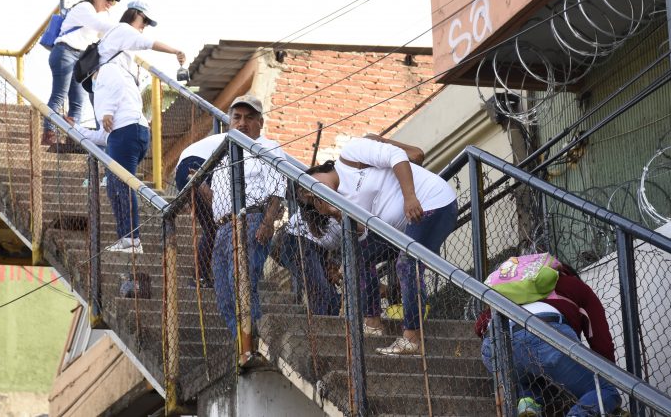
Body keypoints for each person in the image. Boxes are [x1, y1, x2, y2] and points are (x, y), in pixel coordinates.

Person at [304, 135, 457, 356]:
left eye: (310, 185)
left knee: (407, 264)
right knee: (361, 254)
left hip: (431, 203)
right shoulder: (340, 201)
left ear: (317, 172)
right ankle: (372, 323)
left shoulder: (349, 155)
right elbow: (363, 233)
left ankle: (412, 338)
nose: (313, 193)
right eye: (311, 199)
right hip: (401, 229)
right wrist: (337, 213)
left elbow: (396, 155)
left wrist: (410, 197)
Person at [93, 1, 186, 253]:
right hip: (130, 128)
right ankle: (128, 238)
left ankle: (132, 239)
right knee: (117, 184)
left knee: (122, 183)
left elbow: (148, 44)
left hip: (126, 128)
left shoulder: (115, 62)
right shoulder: (122, 41)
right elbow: (143, 44)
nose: (143, 29)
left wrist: (174, 50)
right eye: (144, 22)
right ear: (137, 15)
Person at [475, 256, 621, 417]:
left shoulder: (512, 292)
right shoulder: (574, 285)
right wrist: (607, 375)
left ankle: (527, 402)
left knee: (526, 371)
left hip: (495, 346)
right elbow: (601, 342)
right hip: (544, 338)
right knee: (605, 390)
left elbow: (479, 326)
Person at [209, 94, 285, 366]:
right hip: (222, 228)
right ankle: (242, 342)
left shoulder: (267, 147)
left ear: (260, 123)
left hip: (252, 220)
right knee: (222, 288)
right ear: (229, 122)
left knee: (240, 278)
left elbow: (278, 189)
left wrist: (267, 223)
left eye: (249, 118)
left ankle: (252, 345)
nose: (242, 123)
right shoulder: (223, 151)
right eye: (236, 117)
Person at [42, 0, 120, 146]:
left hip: (81, 59)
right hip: (65, 52)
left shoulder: (101, 15)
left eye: (113, 1)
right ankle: (49, 133)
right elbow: (100, 27)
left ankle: (73, 137)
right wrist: (125, 30)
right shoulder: (85, 8)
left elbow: (102, 35)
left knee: (78, 101)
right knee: (59, 95)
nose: (109, 4)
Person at [174, 133, 227, 284]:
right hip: (201, 164)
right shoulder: (243, 139)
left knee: (212, 228)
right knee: (218, 225)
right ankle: (202, 275)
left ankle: (202, 276)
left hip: (182, 169)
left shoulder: (224, 136)